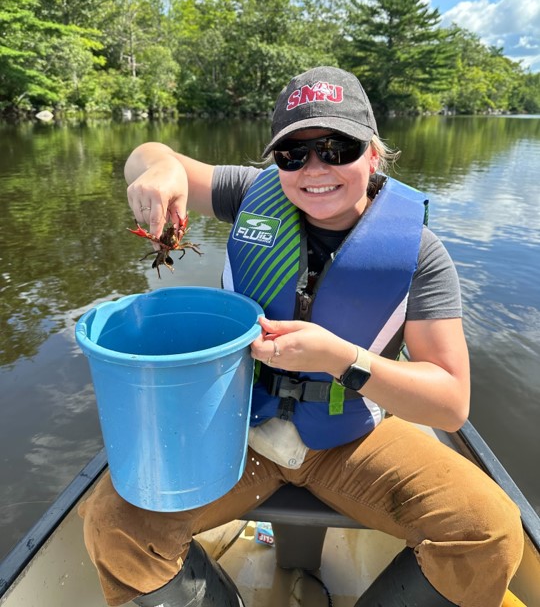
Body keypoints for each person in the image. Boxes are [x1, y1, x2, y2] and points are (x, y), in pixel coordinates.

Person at [79, 66, 523, 607]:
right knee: (112, 523)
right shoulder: (248, 194)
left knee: (488, 530)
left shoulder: (419, 253)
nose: (315, 169)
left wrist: (339, 358)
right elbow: (148, 154)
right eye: (293, 154)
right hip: (237, 428)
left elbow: (450, 404)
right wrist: (157, 170)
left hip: (350, 435)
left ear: (373, 154)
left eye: (338, 148)